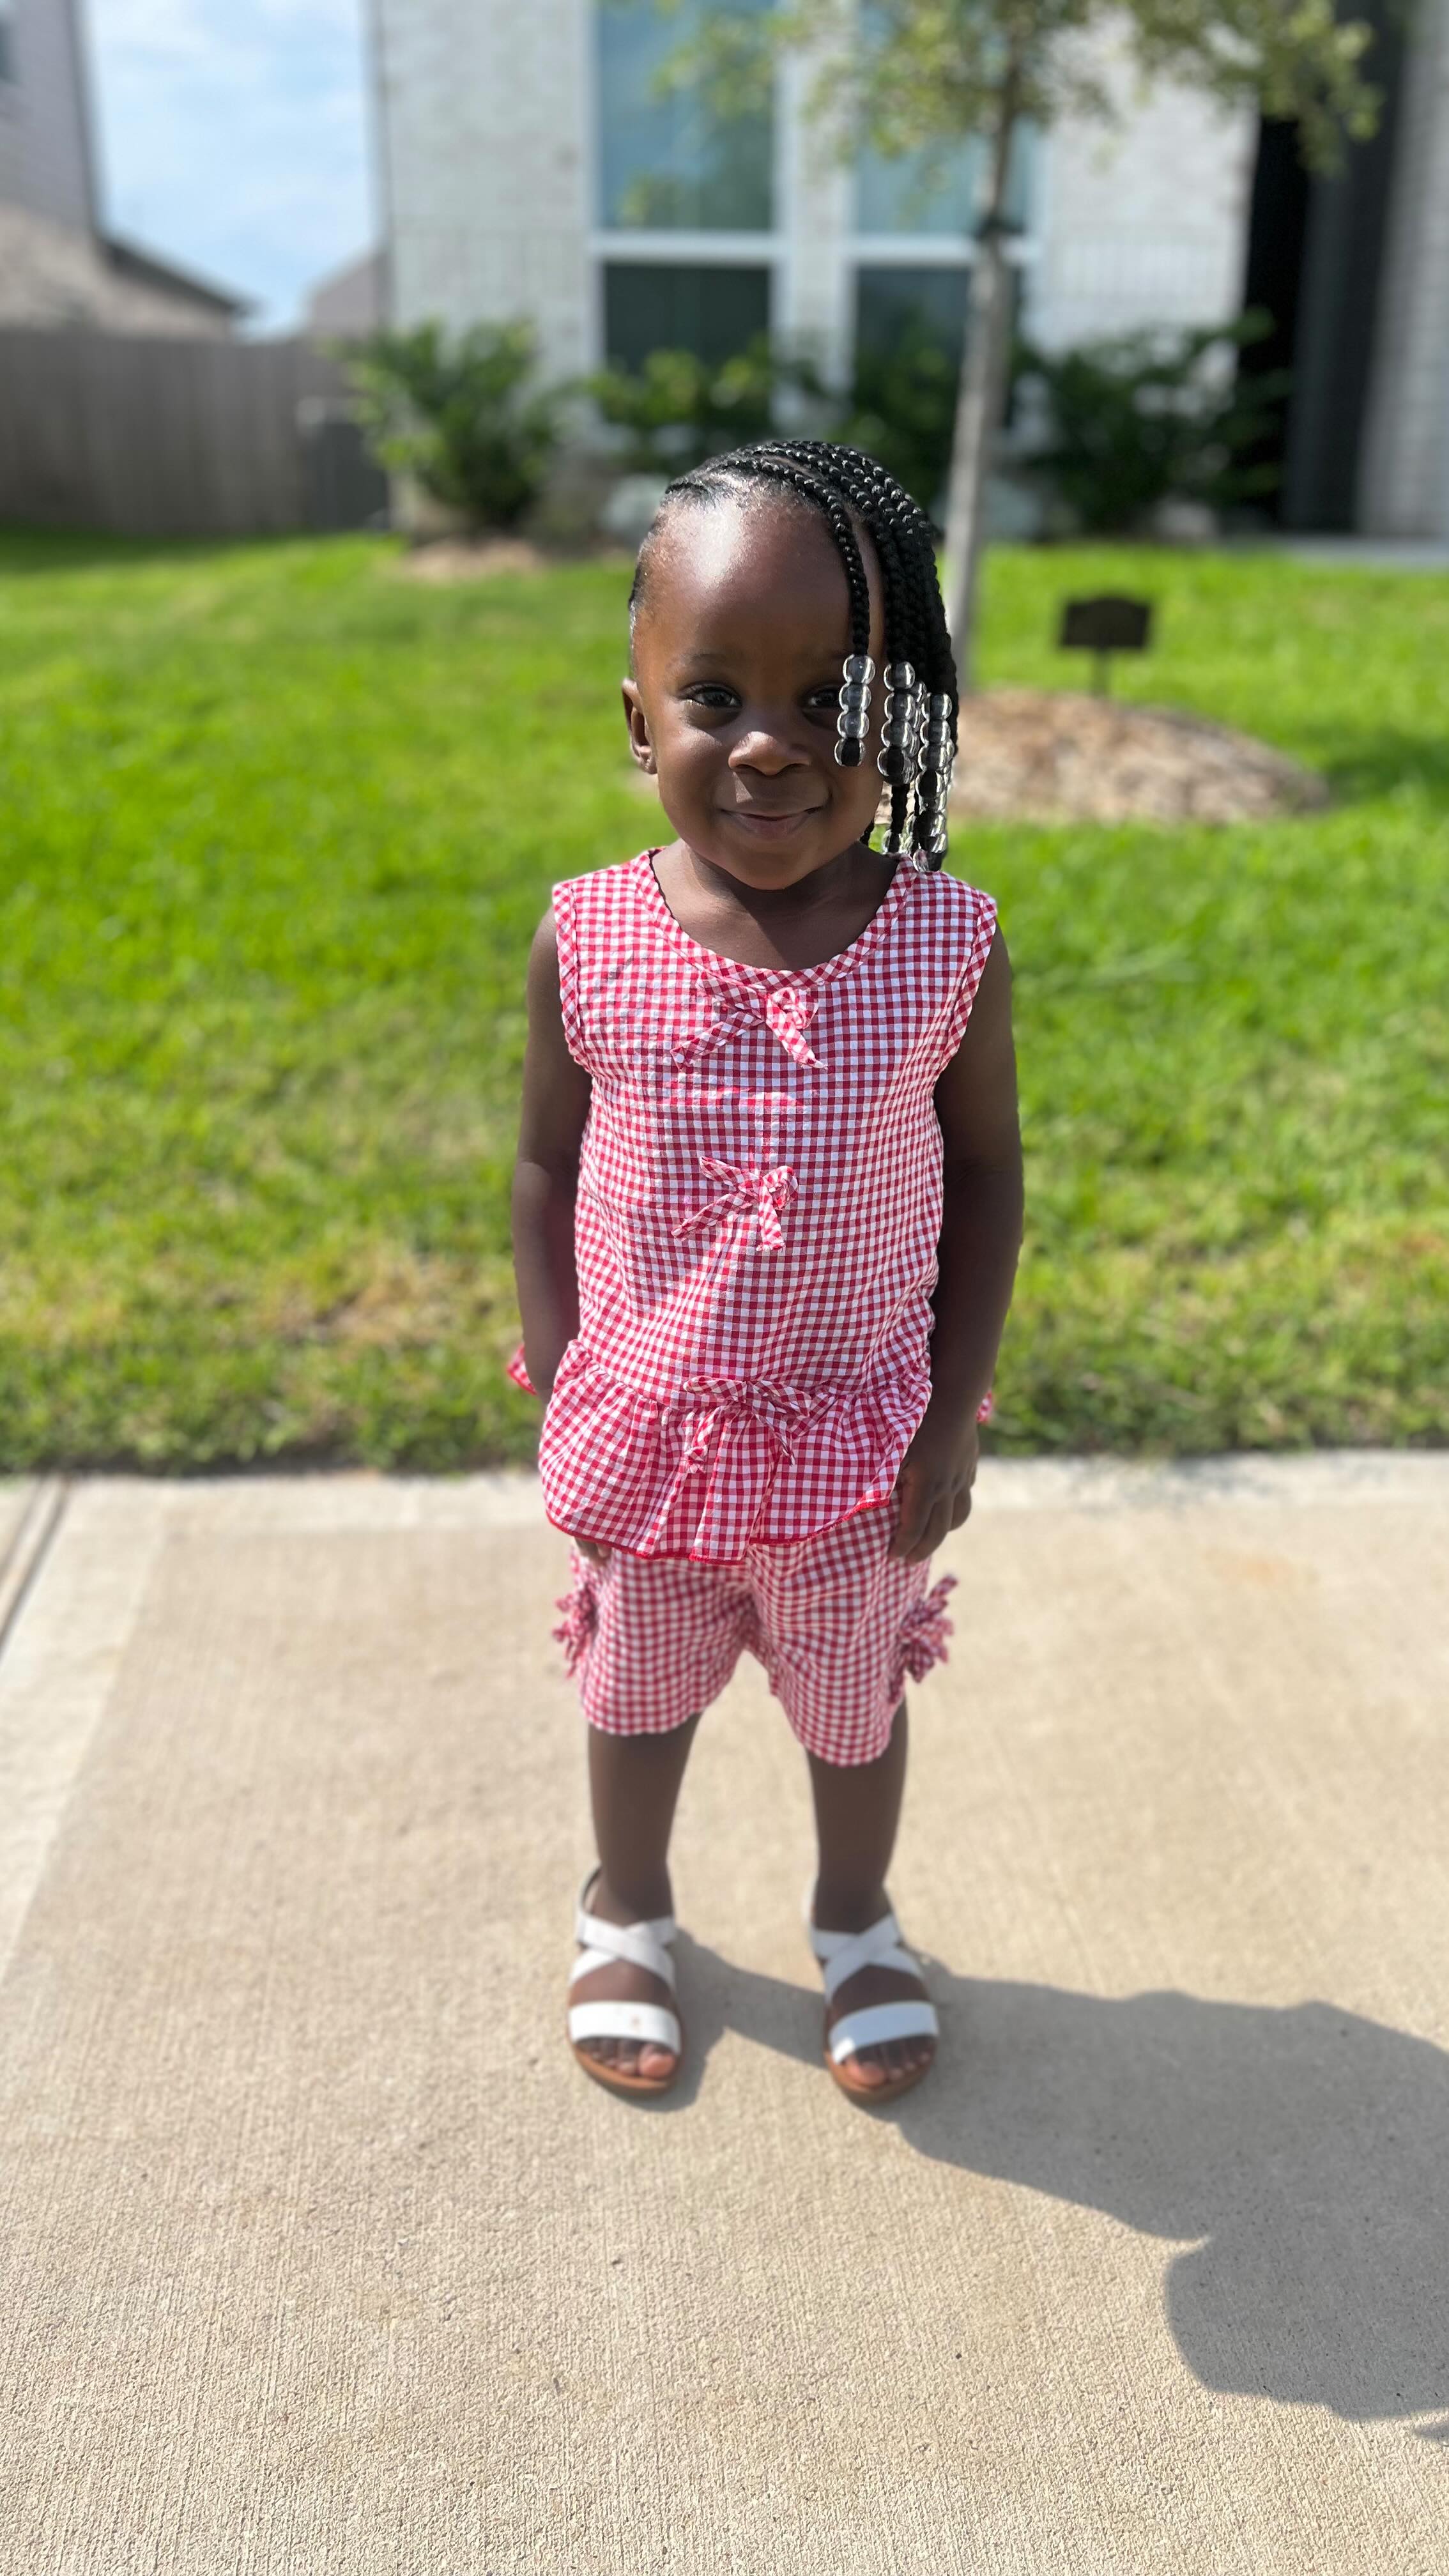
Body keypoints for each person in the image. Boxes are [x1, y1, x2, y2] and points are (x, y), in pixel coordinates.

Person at [511, 439, 1022, 2108]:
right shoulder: (587, 933)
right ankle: (627, 1905)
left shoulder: (942, 941)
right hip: (652, 1447)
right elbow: (541, 1170)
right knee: (635, 1694)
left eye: (831, 700)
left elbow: (986, 1181)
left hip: (853, 1453)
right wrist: (564, 1384)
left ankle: (855, 1919)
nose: (770, 747)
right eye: (717, 693)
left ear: (908, 720)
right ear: (636, 716)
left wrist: (948, 1424)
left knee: (852, 1704)